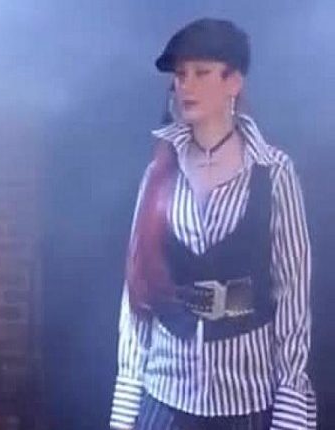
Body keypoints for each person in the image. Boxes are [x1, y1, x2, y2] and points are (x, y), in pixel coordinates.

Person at [110, 18, 316, 430]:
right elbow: (137, 293)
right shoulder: (159, 173)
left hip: (246, 399)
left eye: (201, 73)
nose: (186, 85)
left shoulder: (273, 172)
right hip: (166, 395)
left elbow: (293, 294)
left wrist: (290, 409)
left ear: (233, 82)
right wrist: (126, 407)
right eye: (180, 75)